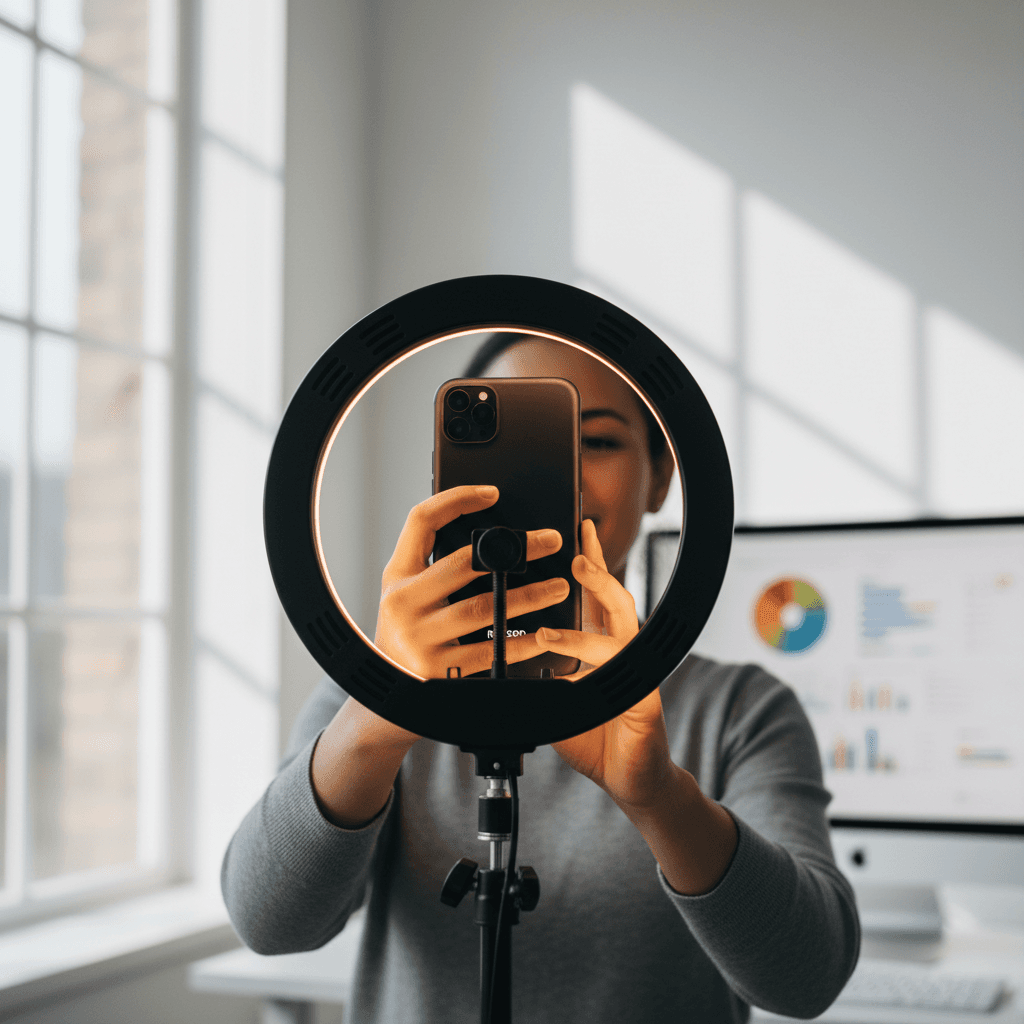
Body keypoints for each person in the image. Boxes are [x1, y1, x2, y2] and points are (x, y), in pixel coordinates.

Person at [222, 335, 860, 1023]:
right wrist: (379, 717)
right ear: (447, 476)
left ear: (660, 479)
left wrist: (658, 797)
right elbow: (268, 923)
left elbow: (808, 976)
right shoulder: (381, 692)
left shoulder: (740, 710)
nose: (566, 478)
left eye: (600, 442)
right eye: (524, 446)